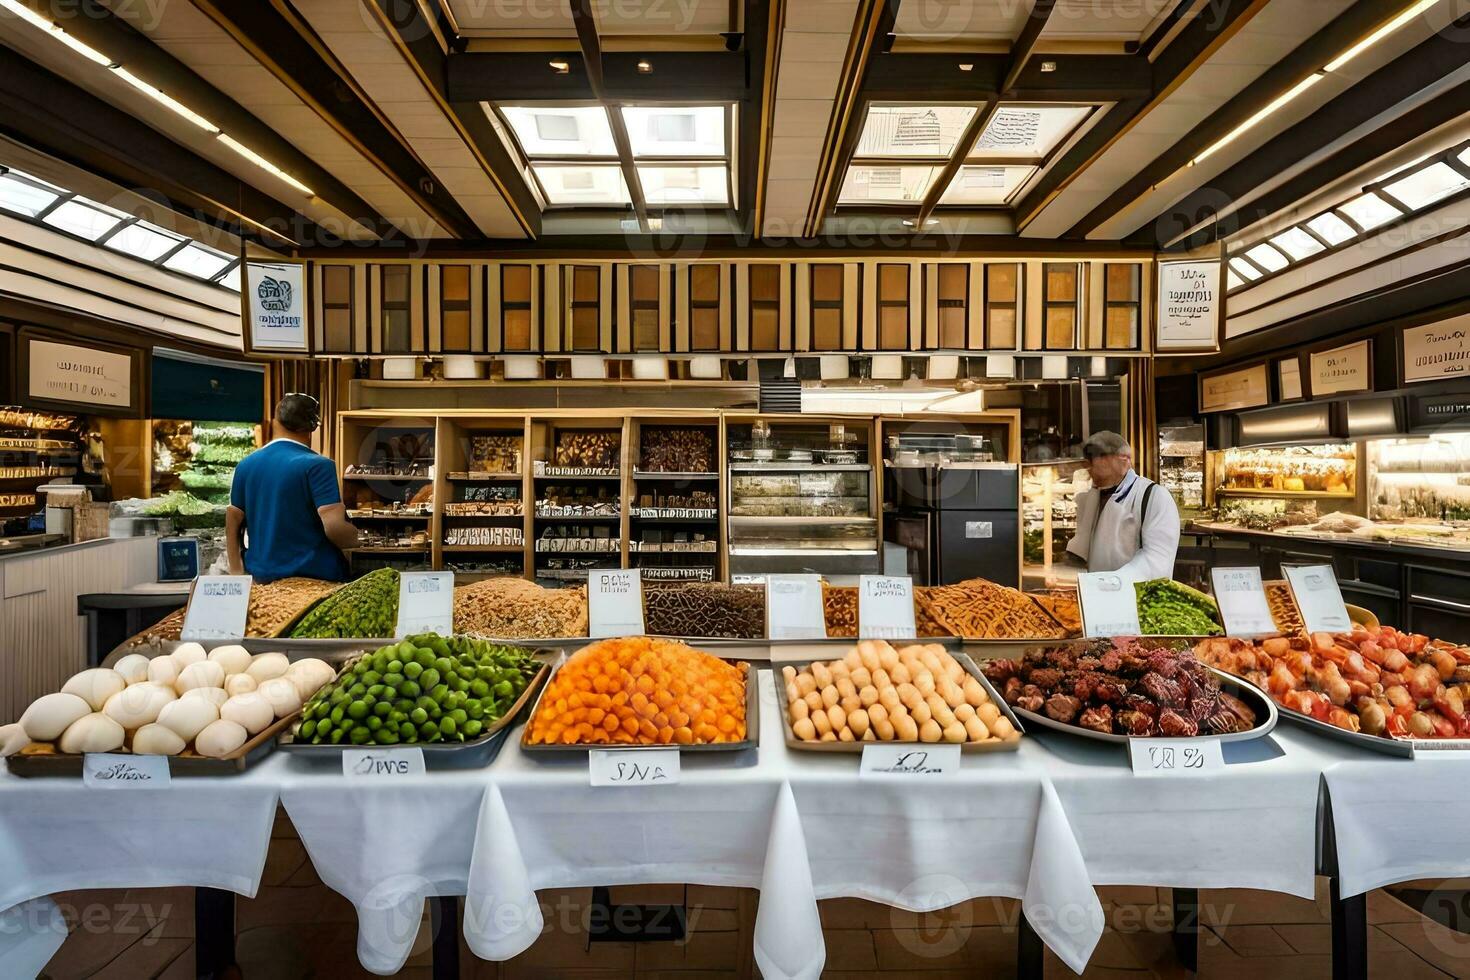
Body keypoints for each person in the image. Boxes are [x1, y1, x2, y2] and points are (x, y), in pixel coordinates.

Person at [226, 394, 358, 582]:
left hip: (263, 579)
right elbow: (334, 527)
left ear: (276, 421)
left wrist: (236, 571)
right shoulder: (318, 466)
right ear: (312, 427)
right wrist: (359, 539)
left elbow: (233, 521)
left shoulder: (246, 465)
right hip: (314, 579)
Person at [1065, 431, 1179, 581]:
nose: (1089, 468)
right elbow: (1084, 549)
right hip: (1097, 596)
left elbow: (1156, 560)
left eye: (1097, 459)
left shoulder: (1154, 496)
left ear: (1122, 459)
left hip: (1138, 600)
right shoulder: (1091, 498)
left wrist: (1112, 582)